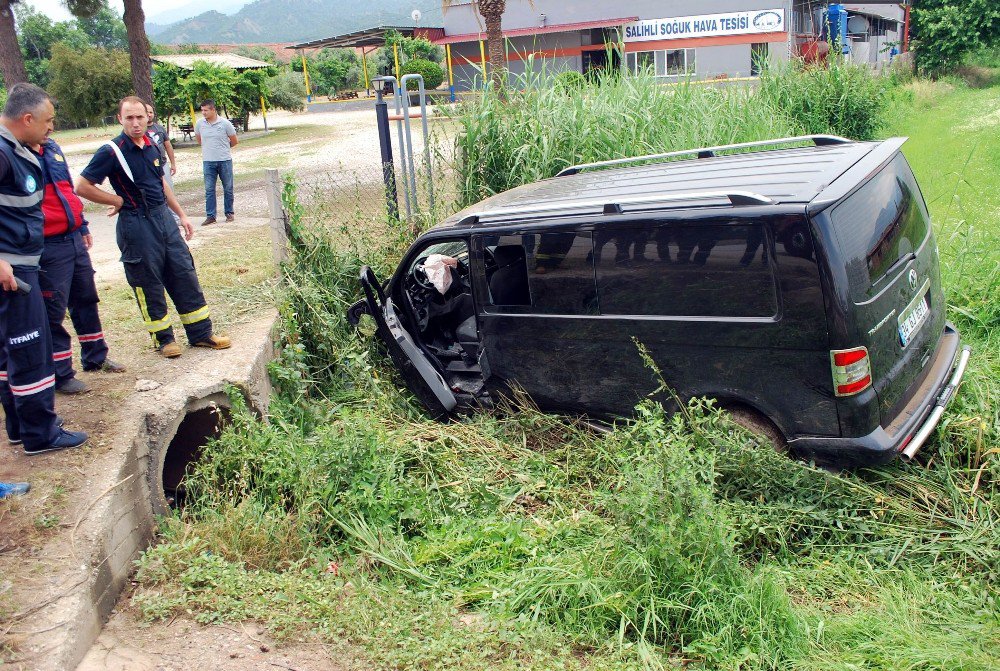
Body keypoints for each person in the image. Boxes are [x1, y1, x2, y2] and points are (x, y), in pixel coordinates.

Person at [75, 96, 231, 359]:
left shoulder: (151, 144)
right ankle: (164, 339)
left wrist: (181, 215)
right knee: (148, 281)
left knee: (183, 272)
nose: (136, 123)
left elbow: (161, 185)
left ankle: (201, 334)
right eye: (129, 118)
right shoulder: (111, 151)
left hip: (163, 219)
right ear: (120, 119)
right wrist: (117, 200)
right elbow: (81, 186)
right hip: (136, 223)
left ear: (148, 118)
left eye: (140, 117)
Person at [0, 83, 89, 454]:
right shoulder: (3, 152)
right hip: (14, 275)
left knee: (11, 353)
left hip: (22, 267)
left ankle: (22, 425)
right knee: (29, 350)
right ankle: (41, 434)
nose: (52, 127)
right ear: (27, 119)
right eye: (49, 120)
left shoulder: (17, 150)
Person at [31, 135, 126, 395]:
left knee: (85, 298)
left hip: (73, 237)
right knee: (53, 309)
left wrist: (81, 224)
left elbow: (66, 192)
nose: (51, 126)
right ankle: (60, 374)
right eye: (46, 120)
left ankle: (96, 356)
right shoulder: (15, 154)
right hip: (48, 244)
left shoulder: (51, 148)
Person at [194, 99, 237, 226]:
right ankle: (211, 215)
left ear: (213, 110)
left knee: (228, 188)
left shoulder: (225, 123)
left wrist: (222, 148)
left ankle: (229, 212)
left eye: (206, 110)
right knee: (209, 189)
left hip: (224, 160)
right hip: (208, 161)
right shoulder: (199, 124)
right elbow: (199, 140)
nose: (203, 113)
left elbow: (234, 141)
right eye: (202, 110)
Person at [144, 102, 179, 225]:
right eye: (146, 112)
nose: (149, 114)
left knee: (169, 189)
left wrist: (173, 163)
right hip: (149, 167)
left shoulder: (159, 129)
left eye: (151, 112)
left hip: (163, 165)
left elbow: (168, 146)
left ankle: (174, 217)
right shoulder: (140, 130)